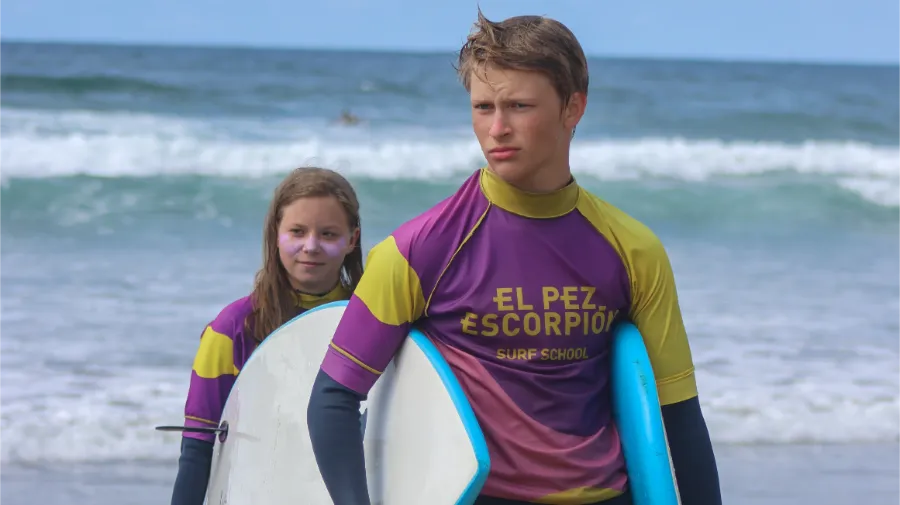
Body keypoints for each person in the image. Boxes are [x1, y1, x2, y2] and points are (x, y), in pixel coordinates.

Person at [307, 10, 722, 505]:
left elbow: (679, 415)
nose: (497, 128)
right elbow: (333, 397)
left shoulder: (633, 250)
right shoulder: (418, 250)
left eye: (519, 106)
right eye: (483, 107)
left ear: (573, 108)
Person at [169, 166, 365, 505]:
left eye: (328, 234)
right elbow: (198, 450)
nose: (311, 246)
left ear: (352, 239)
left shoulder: (373, 322)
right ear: (275, 234)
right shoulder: (232, 330)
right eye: (297, 231)